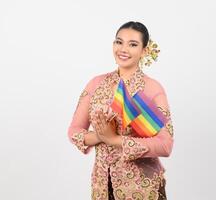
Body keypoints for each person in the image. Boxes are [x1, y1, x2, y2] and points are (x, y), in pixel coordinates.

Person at [67, 21, 174, 200]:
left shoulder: (151, 88)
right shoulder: (96, 84)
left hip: (142, 187)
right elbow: (74, 130)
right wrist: (101, 136)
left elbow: (165, 144)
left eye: (133, 44)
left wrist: (114, 139)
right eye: (119, 42)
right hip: (102, 185)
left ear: (144, 51)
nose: (123, 49)